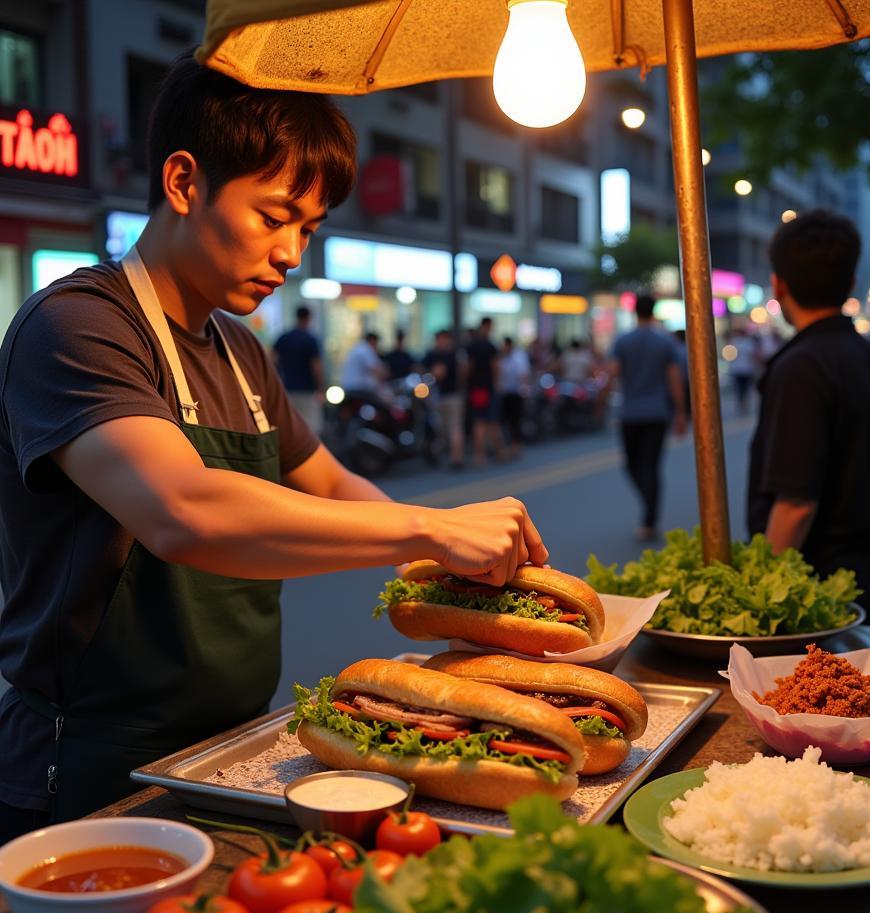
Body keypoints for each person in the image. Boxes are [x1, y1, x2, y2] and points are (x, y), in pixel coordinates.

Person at [0, 56, 548, 842]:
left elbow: (329, 481)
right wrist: (431, 527)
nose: (294, 252)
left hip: (232, 742)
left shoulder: (237, 347)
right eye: (274, 215)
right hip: (88, 759)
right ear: (185, 182)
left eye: (310, 228)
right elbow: (183, 510)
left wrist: (457, 578)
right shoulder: (79, 326)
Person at [746, 209, 870, 626]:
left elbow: (796, 502)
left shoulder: (800, 366)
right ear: (850, 283)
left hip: (819, 592)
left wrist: (764, 596)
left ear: (779, 284)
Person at [608, 294, 688, 541]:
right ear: (653, 311)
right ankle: (650, 512)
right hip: (656, 413)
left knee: (632, 465)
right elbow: (674, 380)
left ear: (634, 311)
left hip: (630, 413)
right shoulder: (665, 342)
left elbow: (612, 374)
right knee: (650, 466)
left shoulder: (623, 340)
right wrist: (681, 413)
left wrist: (600, 402)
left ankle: (649, 515)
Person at [273, 306, 324, 433]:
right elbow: (316, 366)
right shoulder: (310, 340)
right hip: (307, 390)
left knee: (290, 426)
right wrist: (321, 387)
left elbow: (272, 360)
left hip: (287, 389)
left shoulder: (284, 337)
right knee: (311, 427)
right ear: (308, 318)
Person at [423, 327, 466, 470]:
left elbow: (438, 373)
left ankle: (456, 458)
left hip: (449, 395)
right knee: (448, 428)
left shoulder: (449, 355)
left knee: (453, 428)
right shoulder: (448, 354)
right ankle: (454, 457)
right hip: (443, 396)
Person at [465, 317, 506, 466]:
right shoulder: (490, 346)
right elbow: (495, 367)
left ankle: (479, 456)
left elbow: (468, 368)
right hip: (488, 387)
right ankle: (499, 452)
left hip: (476, 388)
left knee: (479, 422)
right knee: (492, 422)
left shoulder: (472, 345)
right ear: (488, 326)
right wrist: (496, 384)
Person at [497, 336, 531, 459]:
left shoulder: (518, 356)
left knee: (515, 421)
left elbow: (523, 374)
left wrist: (525, 389)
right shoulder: (501, 357)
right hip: (504, 393)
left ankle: (516, 445)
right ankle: (506, 446)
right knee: (504, 420)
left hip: (516, 393)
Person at [341, 330, 386, 399]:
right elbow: (376, 370)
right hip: (358, 389)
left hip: (348, 387)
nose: (377, 346)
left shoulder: (358, 348)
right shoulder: (366, 349)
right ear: (373, 341)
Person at [728, 328, 760, 415]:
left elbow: (729, 356)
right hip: (745, 369)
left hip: (740, 369)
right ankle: (743, 404)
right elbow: (754, 356)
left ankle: (742, 404)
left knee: (740, 389)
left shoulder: (735, 342)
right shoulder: (747, 343)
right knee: (744, 389)